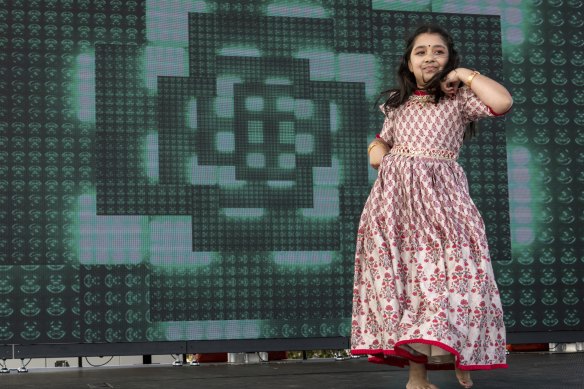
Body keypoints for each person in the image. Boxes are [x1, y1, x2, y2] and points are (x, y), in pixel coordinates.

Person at [350, 24, 513, 389]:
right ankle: (417, 377)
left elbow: (502, 102)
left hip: (442, 199)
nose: (429, 57)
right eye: (421, 51)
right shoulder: (396, 101)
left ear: (449, 59)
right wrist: (378, 154)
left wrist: (462, 74)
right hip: (397, 204)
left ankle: (460, 353)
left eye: (438, 52)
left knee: (453, 275)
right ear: (409, 62)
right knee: (411, 282)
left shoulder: (458, 98)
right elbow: (381, 142)